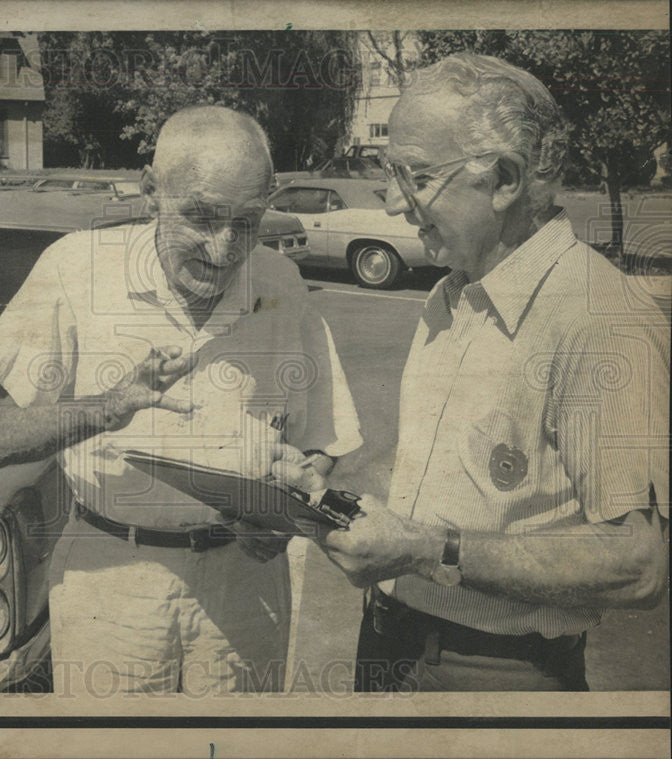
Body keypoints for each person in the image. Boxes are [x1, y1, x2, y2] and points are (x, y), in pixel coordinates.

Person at [273, 53, 669, 692]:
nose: (397, 204)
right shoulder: (454, 292)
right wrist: (321, 480)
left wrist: (430, 551)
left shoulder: (602, 319)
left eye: (417, 176)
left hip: (493, 674)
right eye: (389, 173)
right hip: (389, 641)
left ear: (505, 179)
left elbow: (639, 564)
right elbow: (441, 464)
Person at [0, 106, 362, 695]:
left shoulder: (279, 280)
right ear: (151, 190)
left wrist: (282, 516)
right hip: (111, 582)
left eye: (247, 222)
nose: (225, 248)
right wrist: (110, 405)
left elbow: (322, 440)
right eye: (200, 216)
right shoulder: (75, 268)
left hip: (246, 586)